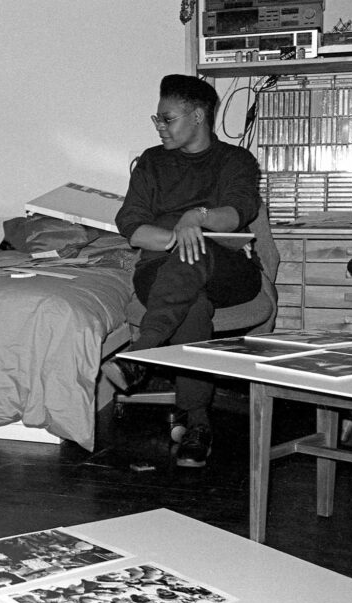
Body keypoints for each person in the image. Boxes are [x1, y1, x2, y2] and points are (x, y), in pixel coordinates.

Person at [101, 74, 263, 468]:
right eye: (156, 119)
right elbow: (132, 225)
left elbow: (239, 212)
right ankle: (198, 423)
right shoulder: (153, 162)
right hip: (162, 270)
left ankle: (141, 354)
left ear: (197, 115)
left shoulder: (235, 160)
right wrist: (179, 238)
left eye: (166, 118)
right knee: (191, 300)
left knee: (199, 252)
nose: (159, 127)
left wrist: (197, 218)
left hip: (229, 271)